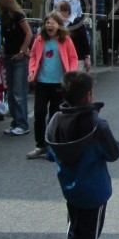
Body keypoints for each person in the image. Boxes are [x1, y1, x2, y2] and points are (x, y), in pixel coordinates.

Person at [45, 70, 119, 239]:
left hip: (69, 187)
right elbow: (113, 152)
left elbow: (51, 153)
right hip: (94, 189)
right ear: (89, 95)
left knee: (74, 232)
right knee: (90, 235)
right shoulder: (97, 125)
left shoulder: (56, 120)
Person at [26, 12, 79, 160]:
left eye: (53, 23)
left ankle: (52, 146)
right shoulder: (39, 40)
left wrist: (71, 74)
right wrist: (31, 71)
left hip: (58, 83)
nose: (50, 25)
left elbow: (73, 58)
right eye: (47, 23)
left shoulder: (65, 40)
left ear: (59, 25)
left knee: (55, 115)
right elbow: (33, 56)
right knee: (39, 113)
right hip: (42, 82)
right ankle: (40, 145)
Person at [0, 0, 34, 137]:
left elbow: (29, 33)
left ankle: (22, 124)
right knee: (11, 93)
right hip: (9, 57)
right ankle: (15, 122)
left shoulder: (18, 15)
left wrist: (23, 51)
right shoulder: (4, 17)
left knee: (19, 92)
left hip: (20, 58)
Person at [57, 0, 92, 73]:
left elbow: (85, 41)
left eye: (60, 11)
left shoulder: (77, 23)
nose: (58, 13)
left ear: (67, 11)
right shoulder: (57, 23)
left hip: (78, 58)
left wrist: (87, 57)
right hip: (61, 58)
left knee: (75, 81)